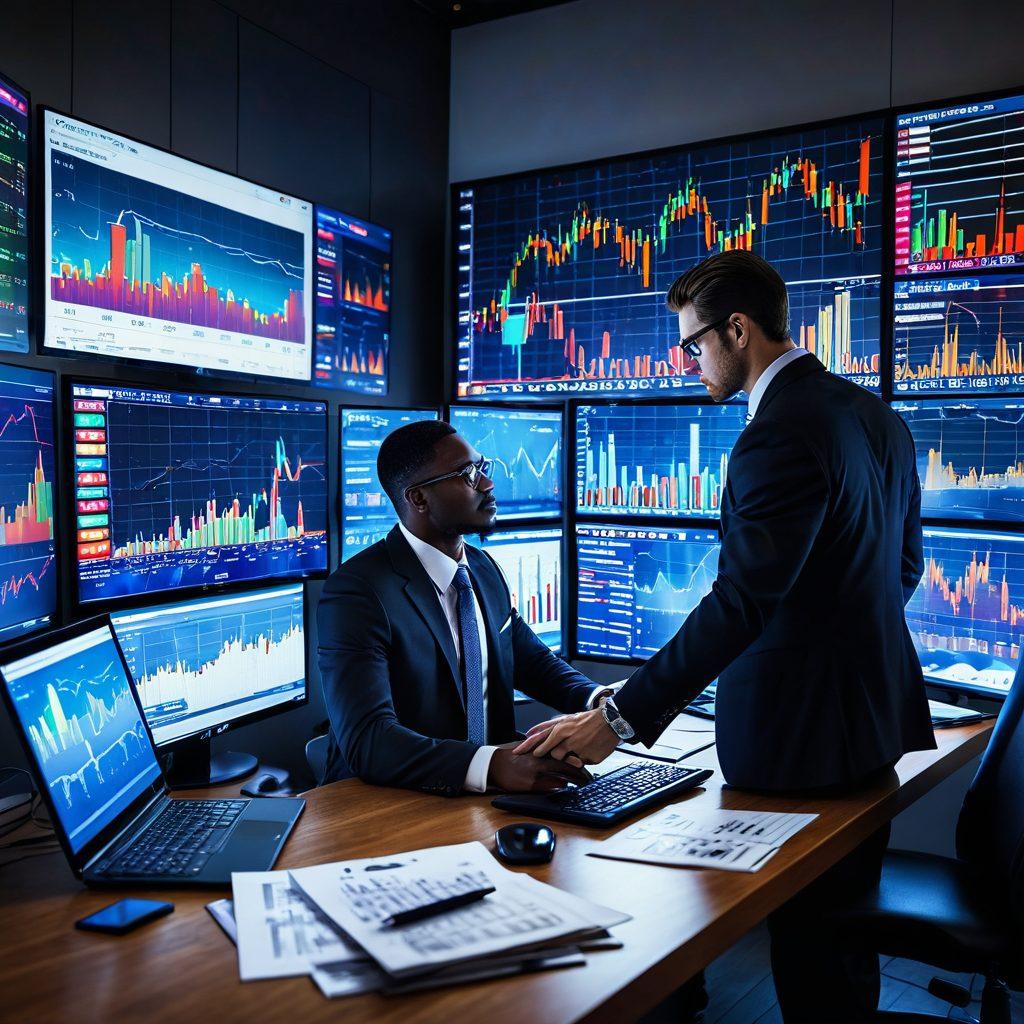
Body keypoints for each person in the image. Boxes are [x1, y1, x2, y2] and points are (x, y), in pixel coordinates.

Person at [515, 249, 935, 1023]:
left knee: (810, 958)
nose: (689, 361)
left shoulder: (778, 434)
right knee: (841, 949)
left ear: (737, 330)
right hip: (873, 727)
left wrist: (615, 721)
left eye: (693, 344)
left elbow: (742, 601)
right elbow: (903, 567)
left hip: (799, 744)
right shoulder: (875, 414)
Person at [317, 419, 609, 796]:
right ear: (419, 499)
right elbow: (369, 740)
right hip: (395, 801)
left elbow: (529, 660)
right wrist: (493, 766)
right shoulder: (357, 592)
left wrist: (601, 704)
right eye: (467, 475)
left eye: (482, 468)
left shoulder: (481, 568)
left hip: (486, 796)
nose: (487, 484)